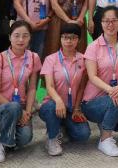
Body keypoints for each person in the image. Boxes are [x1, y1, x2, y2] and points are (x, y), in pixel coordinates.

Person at [82, 6, 118, 156]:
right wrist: (112, 90)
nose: (110, 24)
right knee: (115, 100)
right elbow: (92, 76)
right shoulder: (93, 47)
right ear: (101, 23)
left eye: (114, 20)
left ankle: (106, 121)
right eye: (106, 21)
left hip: (115, 95)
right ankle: (105, 139)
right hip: (92, 102)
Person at [0, 20, 40, 163]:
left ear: (30, 38)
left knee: (25, 138)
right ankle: (0, 144)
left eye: (25, 36)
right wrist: (18, 110)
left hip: (21, 109)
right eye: (16, 35)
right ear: (9, 37)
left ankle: (6, 135)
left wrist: (27, 112)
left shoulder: (34, 58)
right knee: (13, 107)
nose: (21, 40)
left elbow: (32, 88)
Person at [38, 22, 91, 156]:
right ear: (60, 38)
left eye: (73, 38)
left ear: (78, 40)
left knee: (83, 134)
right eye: (65, 37)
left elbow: (81, 88)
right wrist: (58, 100)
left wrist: (77, 108)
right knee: (51, 107)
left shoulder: (83, 59)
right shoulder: (51, 59)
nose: (69, 41)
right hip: (52, 106)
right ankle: (52, 139)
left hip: (71, 108)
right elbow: (49, 86)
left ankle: (60, 127)